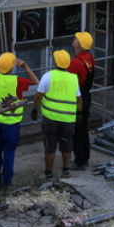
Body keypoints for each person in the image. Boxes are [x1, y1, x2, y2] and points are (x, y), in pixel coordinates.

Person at [0, 52, 39, 193]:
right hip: (12, 123)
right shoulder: (16, 81)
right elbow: (35, 81)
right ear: (11, 68)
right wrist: (25, 66)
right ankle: (7, 182)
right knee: (9, 153)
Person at [32, 49, 82, 180]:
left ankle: (48, 173)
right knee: (67, 145)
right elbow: (79, 99)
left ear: (55, 62)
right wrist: (79, 113)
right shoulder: (73, 78)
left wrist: (34, 110)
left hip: (51, 119)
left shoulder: (48, 76)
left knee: (50, 146)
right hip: (68, 119)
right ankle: (66, 170)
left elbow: (38, 96)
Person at [67, 31, 96, 170]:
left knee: (76, 132)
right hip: (86, 97)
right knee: (83, 129)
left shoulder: (75, 63)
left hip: (77, 99)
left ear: (79, 44)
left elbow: (70, 84)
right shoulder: (90, 58)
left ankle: (79, 161)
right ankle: (85, 157)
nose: (74, 39)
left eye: (76, 38)